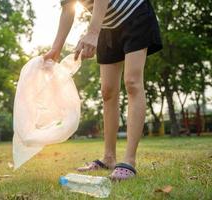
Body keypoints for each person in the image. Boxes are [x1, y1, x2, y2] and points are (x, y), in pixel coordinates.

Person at [44, 0, 162, 181]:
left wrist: (92, 32)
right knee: (107, 92)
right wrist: (55, 49)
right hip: (107, 27)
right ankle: (108, 158)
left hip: (134, 14)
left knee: (132, 82)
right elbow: (68, 8)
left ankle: (129, 161)